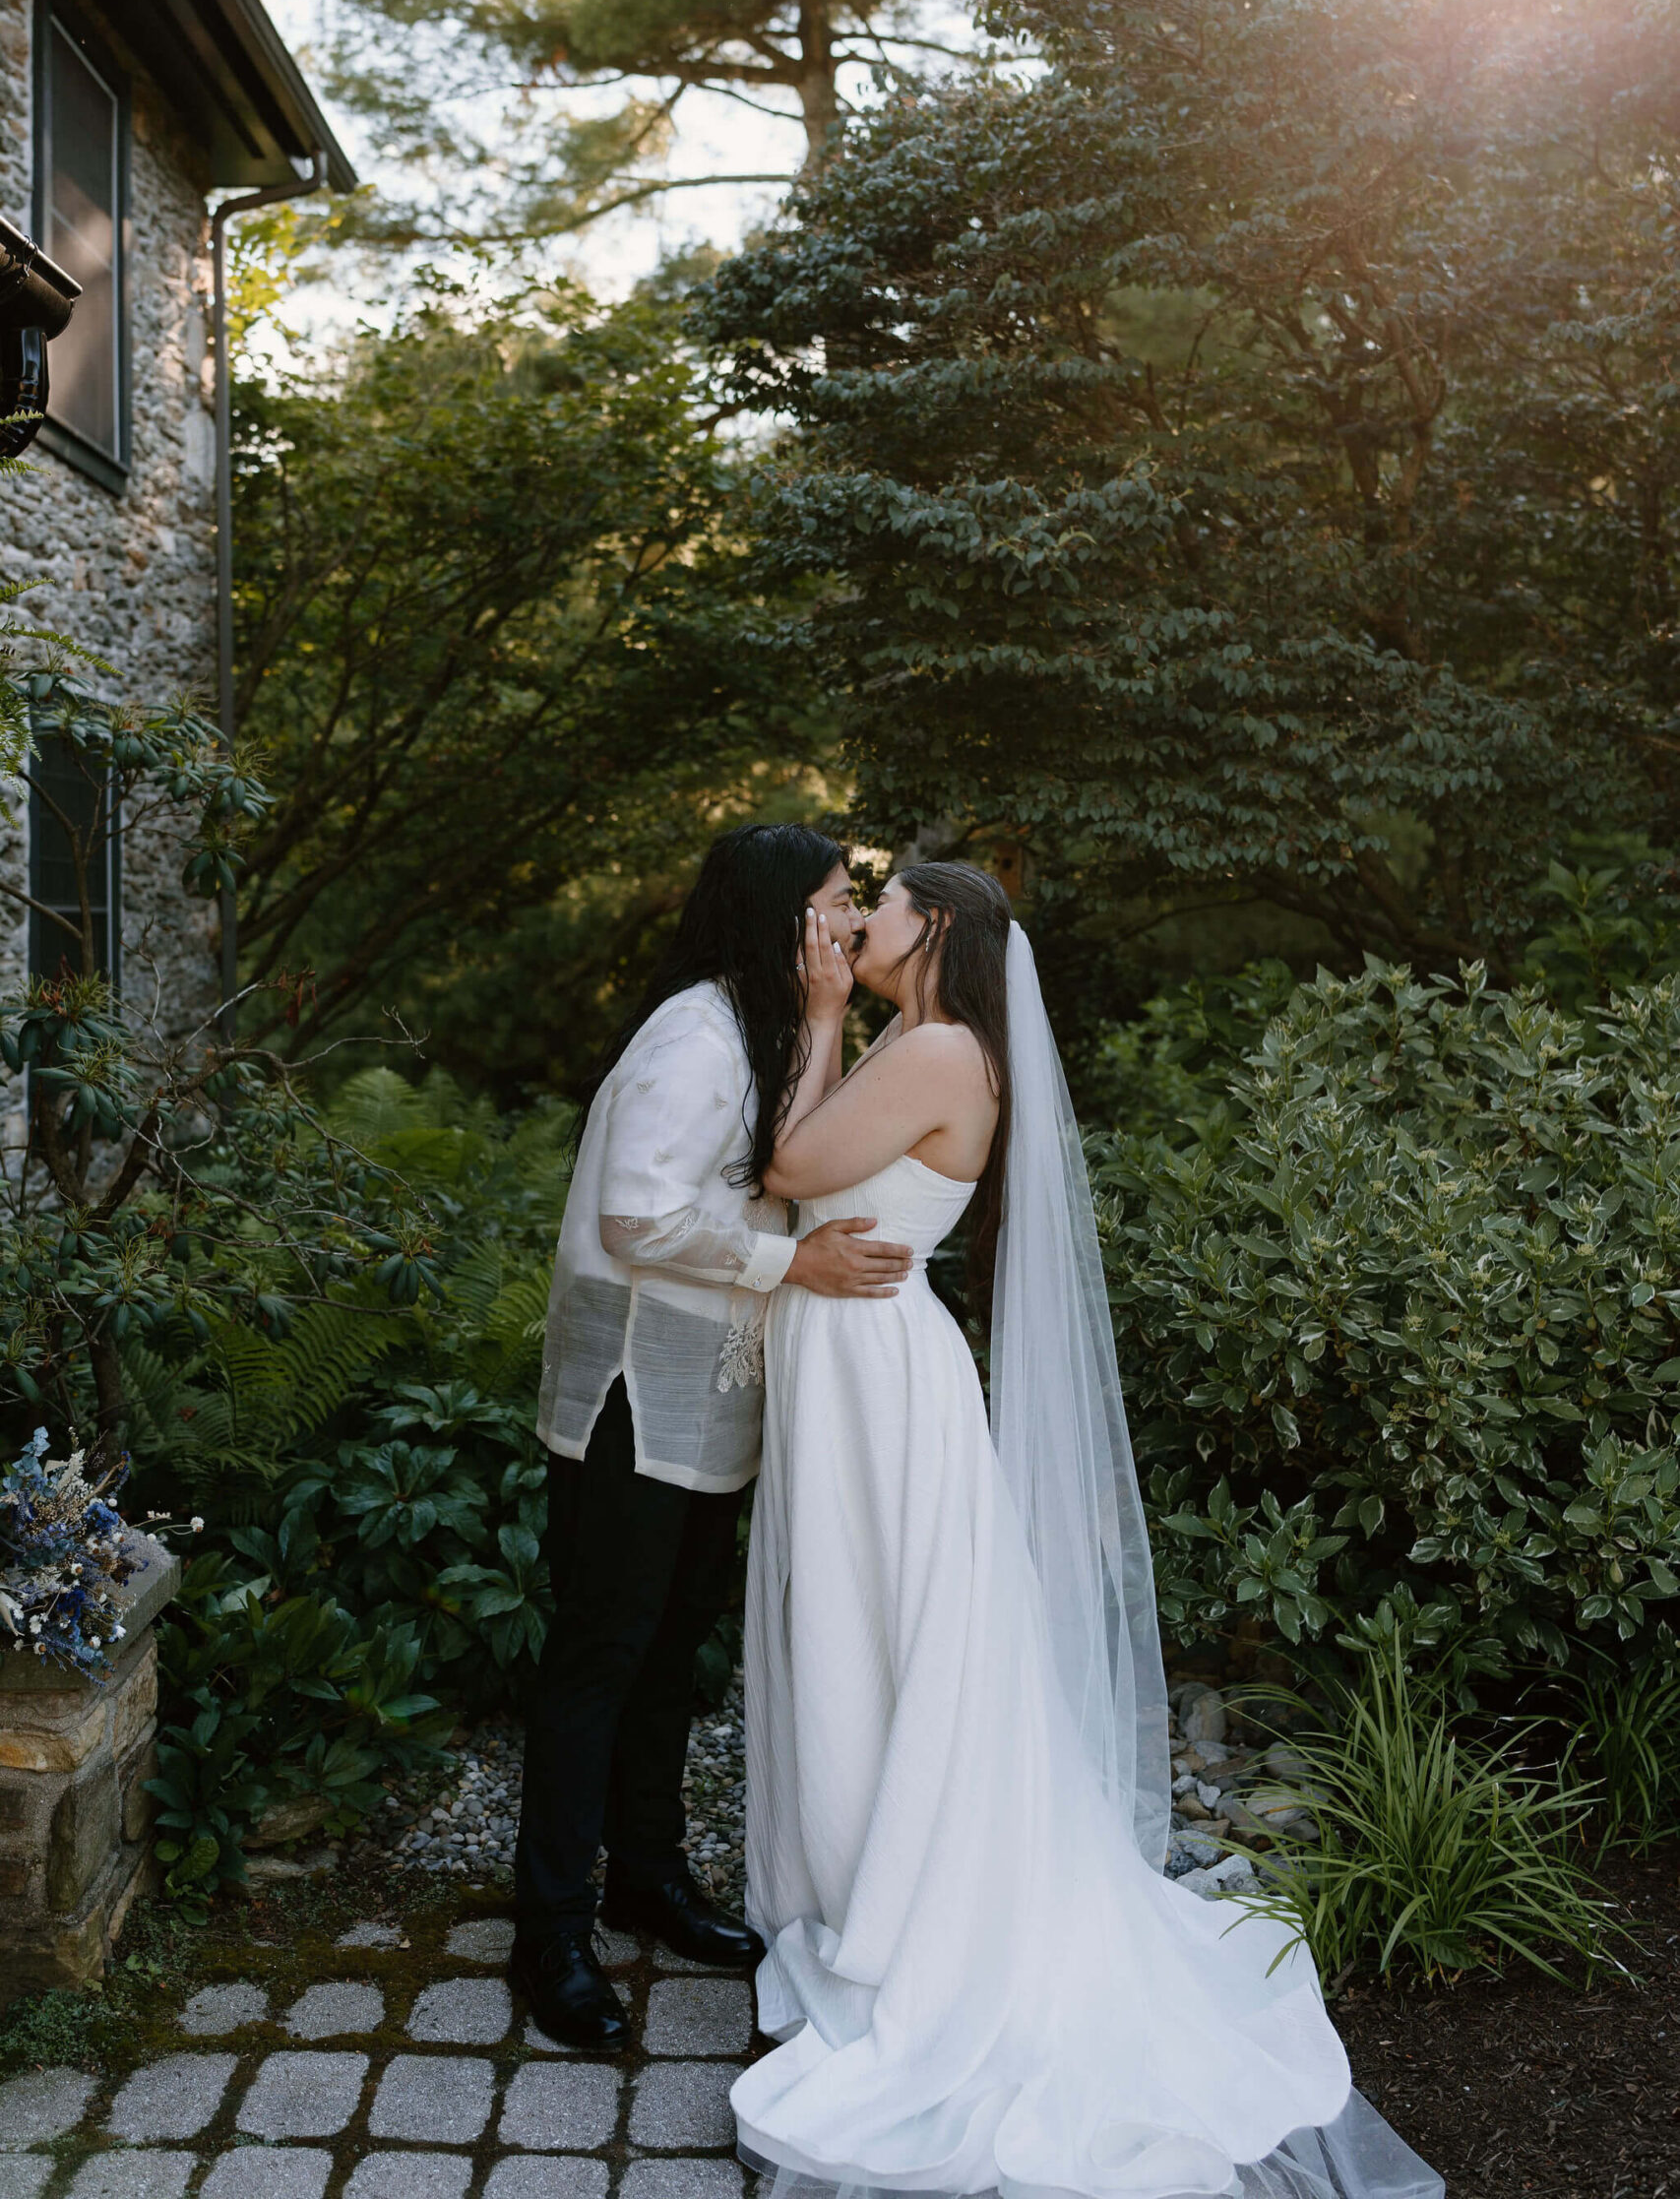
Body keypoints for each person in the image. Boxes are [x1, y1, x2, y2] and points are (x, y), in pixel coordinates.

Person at [731, 862, 1443, 2199]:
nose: (849, 922)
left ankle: (907, 1904)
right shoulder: (924, 1039)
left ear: (931, 929)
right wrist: (835, 1023)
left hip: (879, 1379)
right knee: (857, 1631)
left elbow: (788, 1167)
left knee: (881, 1629)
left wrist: (817, 1016)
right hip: (852, 1365)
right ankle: (861, 1874)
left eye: (871, 908)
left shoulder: (937, 1046)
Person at [511, 824, 914, 2051]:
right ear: (778, 914)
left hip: (716, 1387)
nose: (850, 920)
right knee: (603, 1653)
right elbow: (638, 1216)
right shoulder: (693, 1036)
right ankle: (550, 1933)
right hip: (636, 1387)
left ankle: (646, 1873)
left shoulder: (764, 1026)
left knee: (674, 1644)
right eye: (839, 904)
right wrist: (787, 1262)